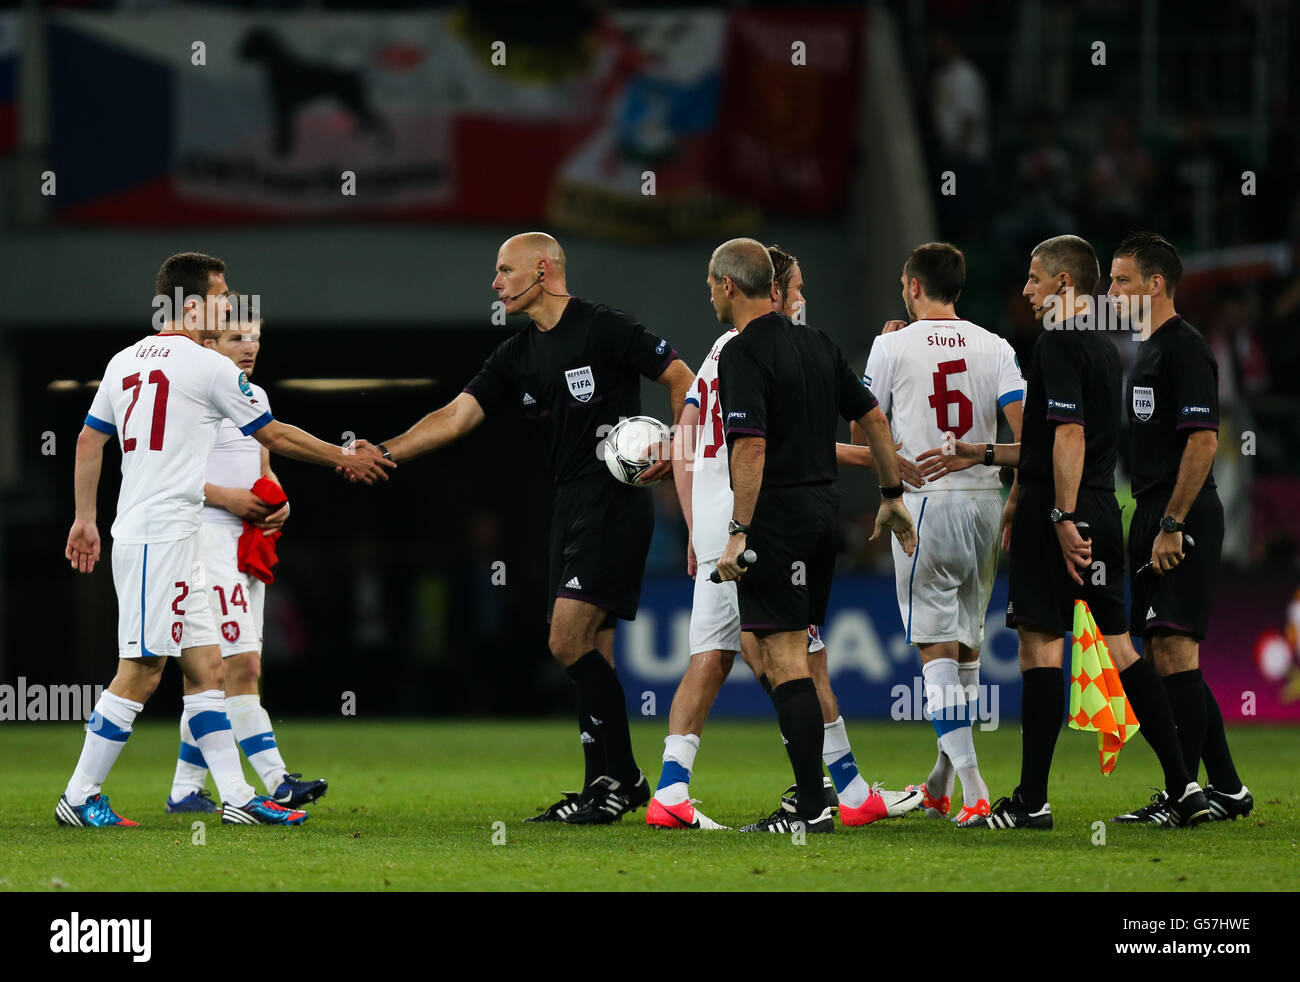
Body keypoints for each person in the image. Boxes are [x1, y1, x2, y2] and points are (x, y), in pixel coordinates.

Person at [360, 232, 693, 824]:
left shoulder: (604, 327)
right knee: (595, 651)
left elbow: (681, 378)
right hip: (567, 504)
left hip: (614, 500)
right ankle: (607, 787)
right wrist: (385, 452)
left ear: (542, 270)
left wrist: (677, 450)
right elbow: (455, 416)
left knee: (565, 642)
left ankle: (624, 777)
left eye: (504, 271)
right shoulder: (516, 354)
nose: (495, 283)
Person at [59, 252, 391, 828]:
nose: (231, 304)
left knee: (206, 667)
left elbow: (90, 442)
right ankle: (79, 795)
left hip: (174, 534)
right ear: (193, 308)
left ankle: (236, 796)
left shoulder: (122, 361)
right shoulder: (206, 367)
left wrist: (84, 516)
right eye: (222, 294)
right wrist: (344, 454)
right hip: (154, 536)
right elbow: (275, 433)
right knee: (141, 669)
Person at [925, 235, 1208, 830]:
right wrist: (982, 453)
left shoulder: (1056, 343)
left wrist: (1058, 516)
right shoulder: (1106, 349)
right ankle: (1185, 787)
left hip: (1066, 513)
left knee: (1041, 646)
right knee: (1122, 645)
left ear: (1062, 284)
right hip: (1106, 509)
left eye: (1034, 278)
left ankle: (1031, 800)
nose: (1025, 289)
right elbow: (1051, 440)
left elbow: (1069, 438)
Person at [647, 245, 922, 830]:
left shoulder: (737, 350)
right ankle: (834, 794)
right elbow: (752, 443)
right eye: (795, 287)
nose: (801, 298)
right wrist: (886, 475)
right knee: (776, 656)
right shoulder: (764, 348)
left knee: (748, 654)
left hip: (747, 514)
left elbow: (706, 433)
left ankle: (813, 794)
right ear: (771, 289)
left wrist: (700, 517)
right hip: (757, 517)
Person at [861, 242, 1024, 824]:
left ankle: (975, 790)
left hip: (925, 500)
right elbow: (1027, 443)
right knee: (967, 644)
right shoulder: (997, 346)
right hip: (983, 499)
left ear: (912, 286)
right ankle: (938, 783)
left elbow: (867, 420)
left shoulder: (890, 345)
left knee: (935, 646)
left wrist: (891, 469)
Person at [1106, 231, 1251, 823]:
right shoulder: (1148, 349)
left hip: (1180, 514)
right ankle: (1230, 788)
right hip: (1151, 511)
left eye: (1121, 280)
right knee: (1168, 654)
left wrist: (1172, 522)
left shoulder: (1185, 348)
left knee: (1173, 650)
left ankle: (1181, 794)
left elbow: (1204, 441)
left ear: (1155, 283)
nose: (1110, 291)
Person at [164, 293, 328, 814]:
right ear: (210, 341)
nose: (250, 346)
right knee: (240, 665)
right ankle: (276, 780)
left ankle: (186, 789)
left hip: (247, 542)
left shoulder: (253, 394)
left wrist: (277, 501)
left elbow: (263, 464)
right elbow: (170, 476)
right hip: (205, 538)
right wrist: (231, 499)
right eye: (238, 337)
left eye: (255, 337)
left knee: (228, 667)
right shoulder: (194, 395)